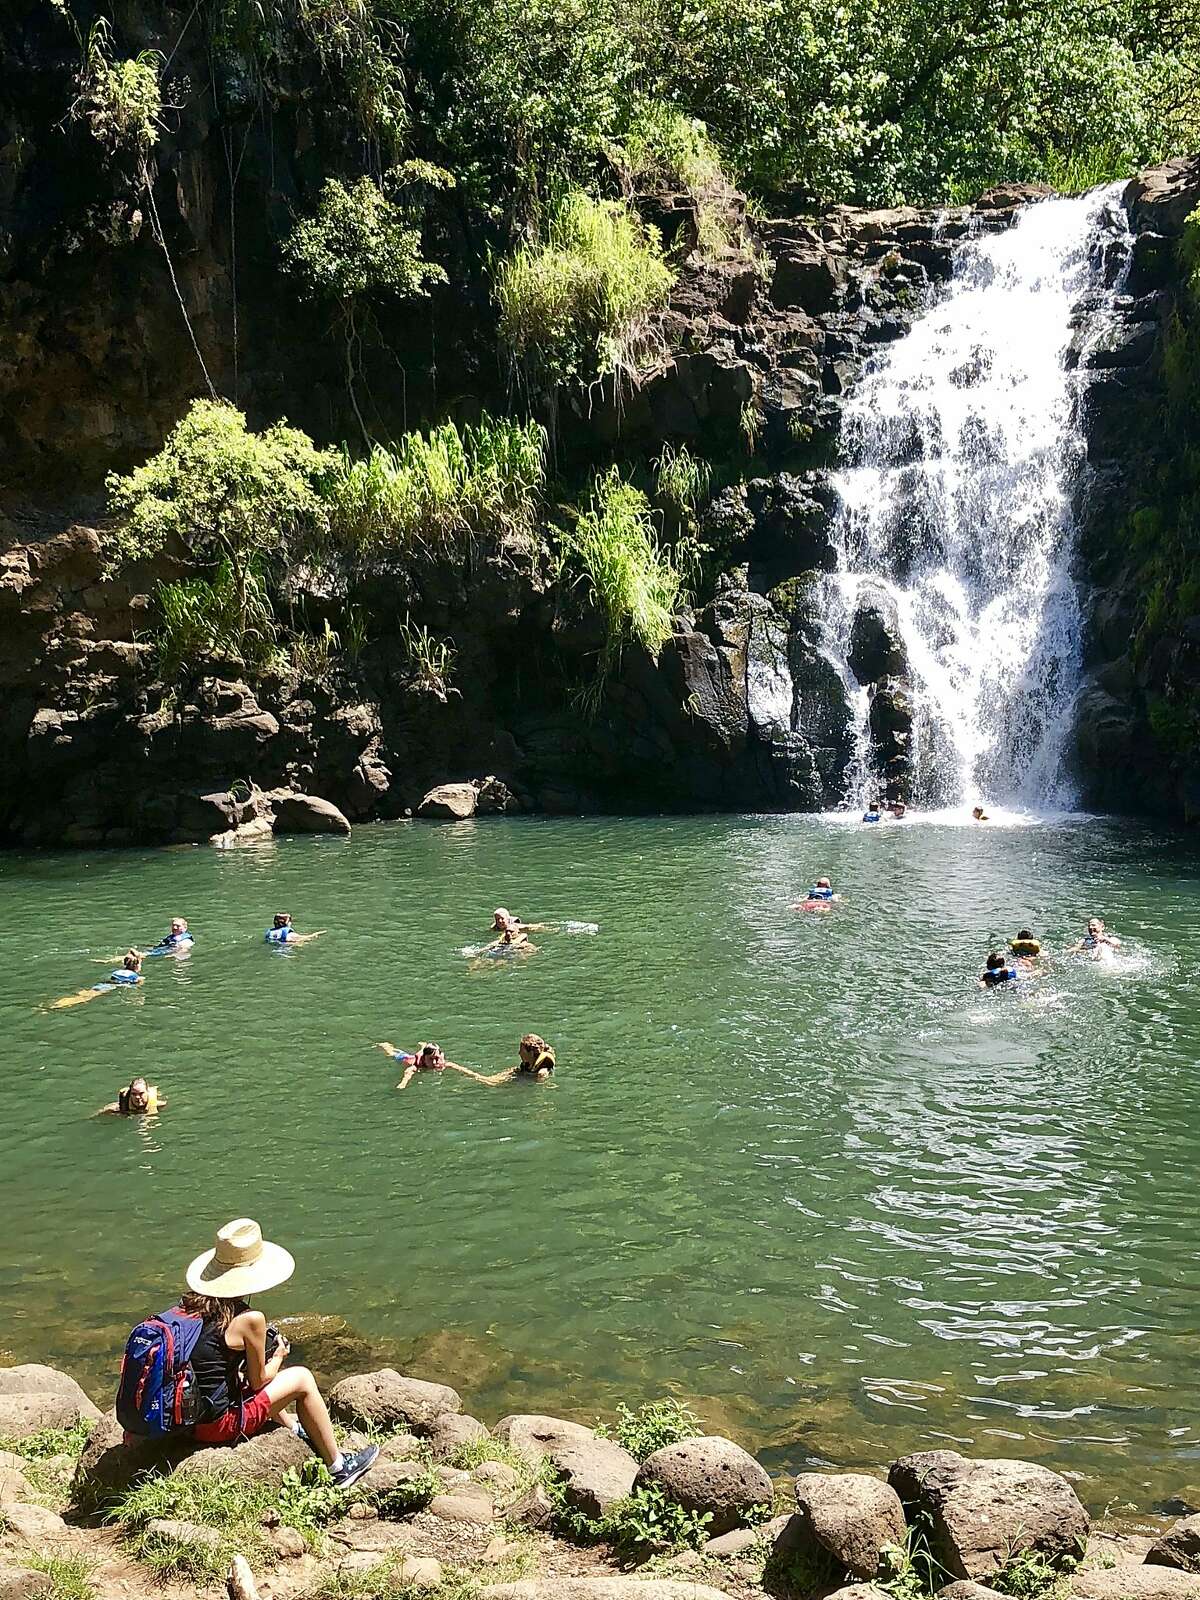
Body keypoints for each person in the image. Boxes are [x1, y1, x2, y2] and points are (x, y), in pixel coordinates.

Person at [182, 1218, 378, 1487]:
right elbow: (259, 1382)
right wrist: (278, 1357)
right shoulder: (250, 1320)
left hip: (186, 1418)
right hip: (216, 1426)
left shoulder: (191, 1308)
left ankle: (296, 1430)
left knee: (253, 1378)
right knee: (302, 1379)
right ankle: (339, 1467)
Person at [51, 949, 145, 1010]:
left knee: (84, 994)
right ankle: (55, 1007)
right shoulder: (136, 976)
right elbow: (137, 985)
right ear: (136, 966)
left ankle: (57, 1003)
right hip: (110, 987)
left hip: (103, 983)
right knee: (85, 998)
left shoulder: (118, 971)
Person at [375, 1040, 475, 1090]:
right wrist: (403, 1083)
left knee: (423, 1051)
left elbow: (463, 1069)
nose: (435, 1063)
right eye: (432, 1060)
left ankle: (423, 1045)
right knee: (391, 1053)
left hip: (423, 1053)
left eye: (437, 1058)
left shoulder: (443, 1063)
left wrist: (480, 1077)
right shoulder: (417, 1065)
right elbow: (408, 1072)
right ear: (424, 1058)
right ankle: (385, 1045)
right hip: (403, 1057)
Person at [465, 1034, 558, 1086]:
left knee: (488, 1081)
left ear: (531, 1053)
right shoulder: (524, 1066)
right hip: (522, 1075)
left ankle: (460, 1069)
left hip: (525, 1081)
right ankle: (461, 1070)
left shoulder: (542, 1070)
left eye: (522, 1051)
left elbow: (541, 1079)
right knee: (488, 1081)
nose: (519, 1053)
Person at [98, 1077, 166, 1116]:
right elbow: (104, 1111)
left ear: (147, 1092)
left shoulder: (159, 1104)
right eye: (134, 1094)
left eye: (141, 1093)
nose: (137, 1097)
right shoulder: (122, 1105)